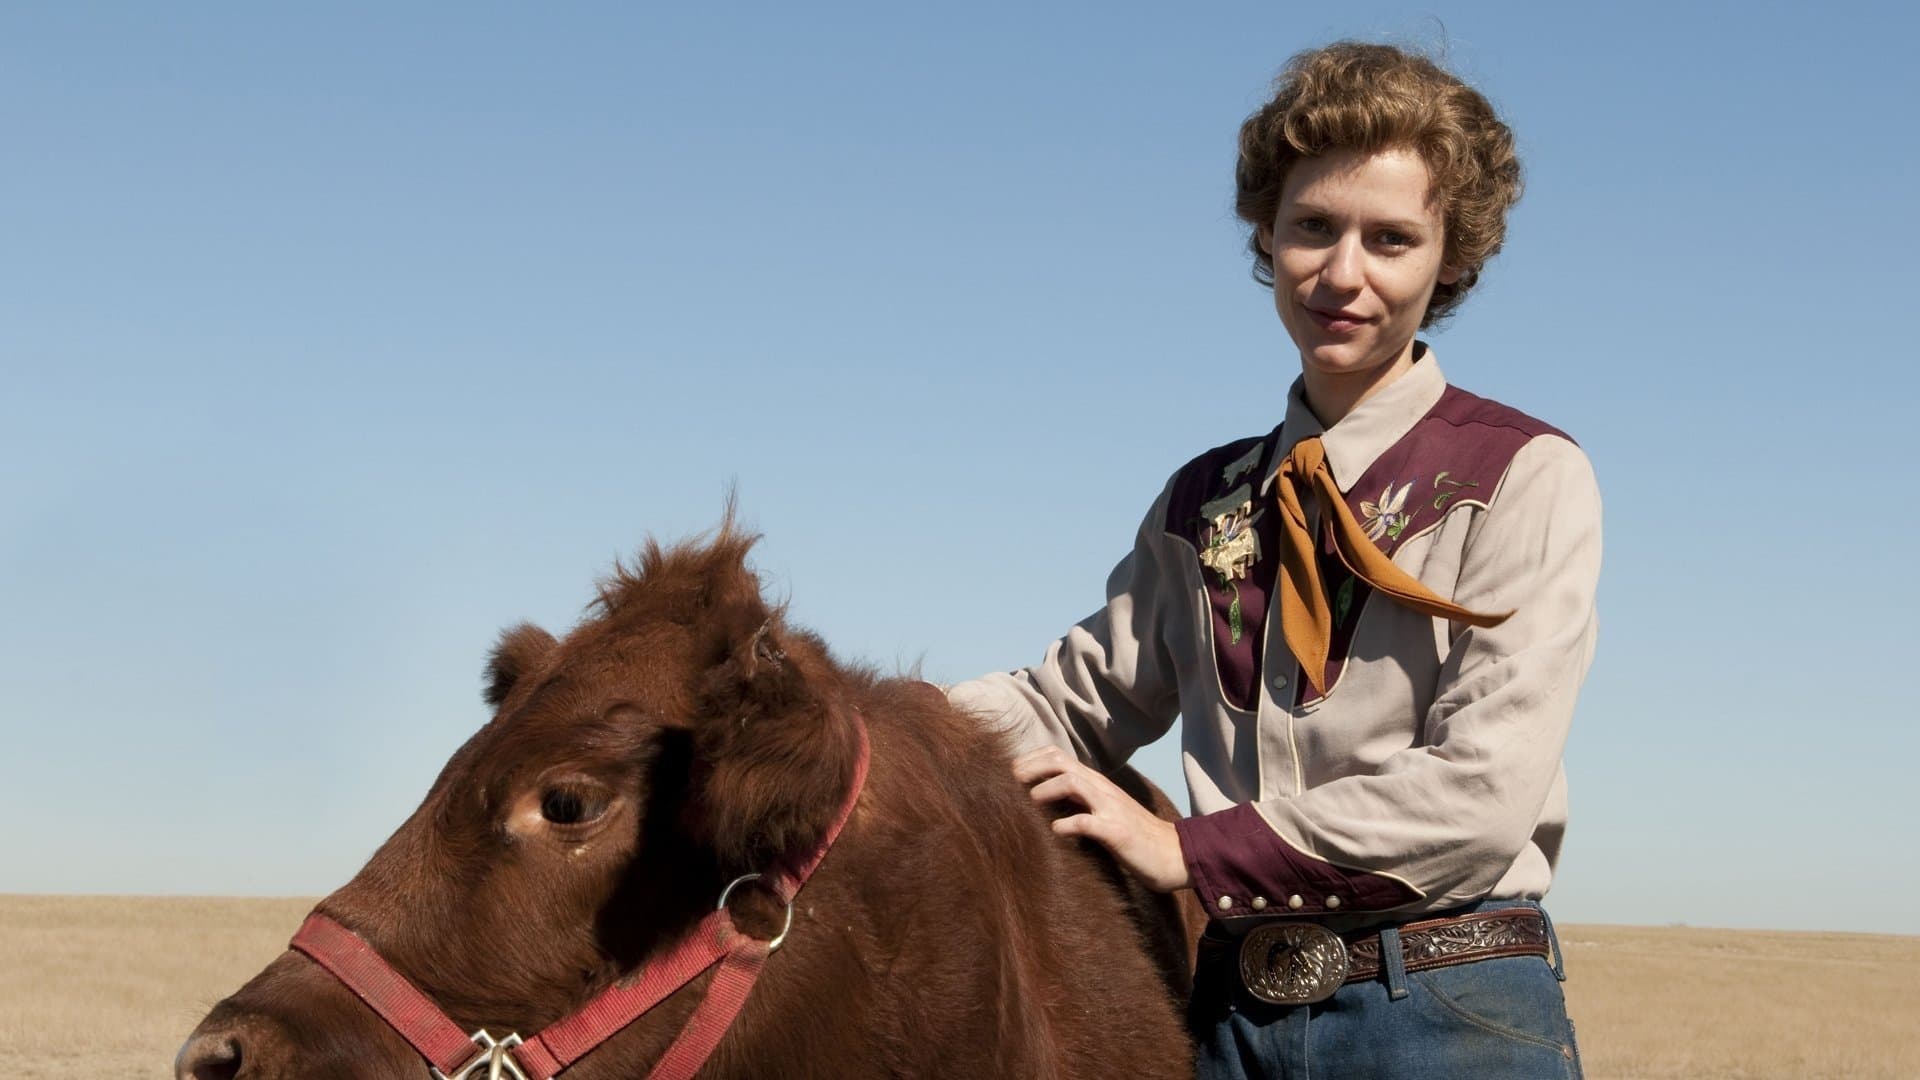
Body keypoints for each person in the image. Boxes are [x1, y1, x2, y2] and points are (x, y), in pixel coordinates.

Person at [948, 41, 1598, 1079]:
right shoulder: (1204, 504)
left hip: (1449, 1007)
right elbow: (1069, 702)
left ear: (1452, 257)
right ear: (1266, 233)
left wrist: (1190, 854)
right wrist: (860, 732)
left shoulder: (1520, 474)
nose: (1344, 273)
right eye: (1313, 228)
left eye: (1391, 239)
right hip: (1227, 1024)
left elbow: (1479, 800)